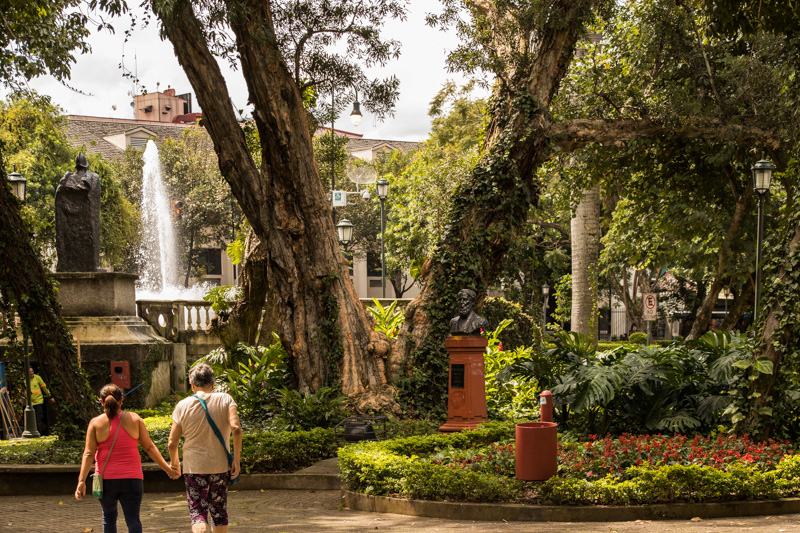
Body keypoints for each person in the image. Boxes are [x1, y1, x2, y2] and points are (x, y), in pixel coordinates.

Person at [75, 384, 178, 533]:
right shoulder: (135, 419)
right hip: (132, 479)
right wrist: (168, 469)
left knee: (108, 518)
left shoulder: (95, 423)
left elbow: (88, 454)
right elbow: (149, 447)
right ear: (121, 400)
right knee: (133, 519)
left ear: (101, 402)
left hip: (105, 481)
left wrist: (81, 481)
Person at [169, 363, 242, 533]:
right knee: (219, 510)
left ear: (192, 384)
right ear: (213, 383)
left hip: (193, 468)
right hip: (220, 466)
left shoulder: (182, 405)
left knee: (198, 512)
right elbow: (236, 429)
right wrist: (236, 460)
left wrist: (175, 464)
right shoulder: (226, 399)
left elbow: (172, 442)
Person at [28, 367, 55, 435]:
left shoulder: (37, 378)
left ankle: (39, 432)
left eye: (32, 371)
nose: (31, 373)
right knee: (30, 419)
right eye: (30, 372)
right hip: (29, 403)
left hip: (38, 401)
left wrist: (50, 396)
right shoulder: (24, 380)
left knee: (39, 418)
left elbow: (44, 388)